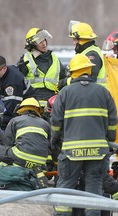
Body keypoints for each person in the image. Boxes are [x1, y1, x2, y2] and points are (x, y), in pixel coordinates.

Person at [50, 54, 117, 216]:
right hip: (98, 151)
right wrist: (107, 140)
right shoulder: (104, 92)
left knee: (66, 186)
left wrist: (55, 142)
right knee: (94, 187)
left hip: (71, 152)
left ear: (72, 72)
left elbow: (56, 123)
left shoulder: (65, 93)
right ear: (89, 70)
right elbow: (113, 122)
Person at [0, 97, 51, 188]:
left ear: (21, 110)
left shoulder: (15, 121)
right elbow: (50, 146)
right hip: (40, 161)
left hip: (21, 157)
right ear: (38, 110)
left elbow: (6, 142)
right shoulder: (46, 124)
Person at [16, 28, 66, 107]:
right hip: (33, 105)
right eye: (40, 42)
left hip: (53, 104)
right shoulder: (25, 60)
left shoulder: (55, 59)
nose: (44, 44)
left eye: (44, 40)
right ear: (33, 45)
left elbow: (64, 79)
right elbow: (18, 84)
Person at [0, 55, 35, 129]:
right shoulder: (7, 72)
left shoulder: (12, 83)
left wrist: (3, 126)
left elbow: (12, 109)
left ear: (4, 68)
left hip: (27, 112)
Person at [68, 21, 107, 87]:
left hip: (96, 95)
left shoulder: (91, 55)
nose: (73, 43)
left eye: (74, 39)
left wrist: (65, 82)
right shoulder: (87, 53)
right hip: (95, 93)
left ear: (82, 40)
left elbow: (87, 80)